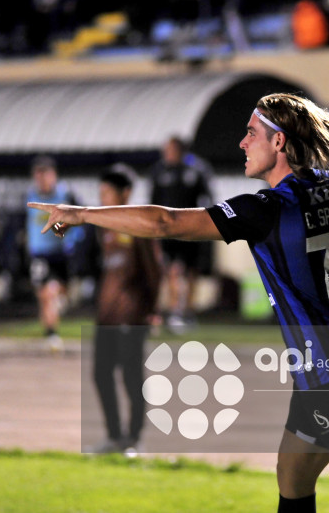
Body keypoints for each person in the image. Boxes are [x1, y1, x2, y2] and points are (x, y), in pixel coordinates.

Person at [29, 93, 329, 513]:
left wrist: (82, 213)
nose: (242, 142)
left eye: (251, 133)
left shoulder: (267, 208)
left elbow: (167, 223)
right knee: (292, 478)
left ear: (279, 142)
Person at [92, 164, 163, 453]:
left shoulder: (138, 225)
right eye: (100, 193)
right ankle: (114, 436)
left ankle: (134, 439)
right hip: (106, 316)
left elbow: (154, 271)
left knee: (131, 375)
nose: (102, 198)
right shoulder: (103, 226)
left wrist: (151, 309)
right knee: (100, 374)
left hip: (132, 315)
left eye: (107, 192)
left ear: (126, 193)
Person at [149, 136, 212, 329]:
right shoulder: (159, 171)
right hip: (168, 231)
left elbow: (207, 198)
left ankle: (188, 312)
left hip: (192, 230)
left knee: (191, 273)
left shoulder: (197, 169)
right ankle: (175, 311)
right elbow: (152, 201)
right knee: (172, 271)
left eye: (171, 150)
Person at [25, 155, 79, 351]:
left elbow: (78, 223)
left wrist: (61, 228)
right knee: (46, 294)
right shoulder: (30, 196)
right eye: (38, 176)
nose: (42, 180)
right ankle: (51, 334)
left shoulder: (65, 195)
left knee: (60, 293)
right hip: (40, 254)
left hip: (62, 253)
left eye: (45, 175)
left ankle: (50, 325)